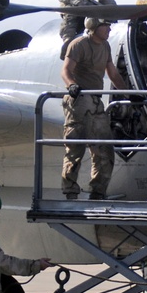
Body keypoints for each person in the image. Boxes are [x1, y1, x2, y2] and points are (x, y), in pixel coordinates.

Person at [61, 17, 129, 200]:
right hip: (79, 100)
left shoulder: (105, 46)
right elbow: (66, 70)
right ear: (94, 26)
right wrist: (72, 85)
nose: (109, 29)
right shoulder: (79, 44)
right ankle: (70, 192)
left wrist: (129, 93)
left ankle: (98, 192)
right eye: (105, 25)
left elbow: (112, 73)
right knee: (75, 148)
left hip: (96, 101)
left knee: (104, 149)